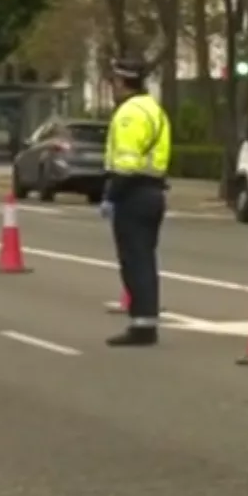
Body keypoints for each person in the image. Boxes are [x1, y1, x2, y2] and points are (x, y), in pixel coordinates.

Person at [100, 56, 171, 347]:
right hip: (153, 191)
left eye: (114, 82)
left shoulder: (130, 113)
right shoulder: (154, 109)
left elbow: (127, 163)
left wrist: (111, 196)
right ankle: (145, 321)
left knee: (134, 261)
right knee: (144, 259)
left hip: (134, 193)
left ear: (121, 82)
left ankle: (142, 326)